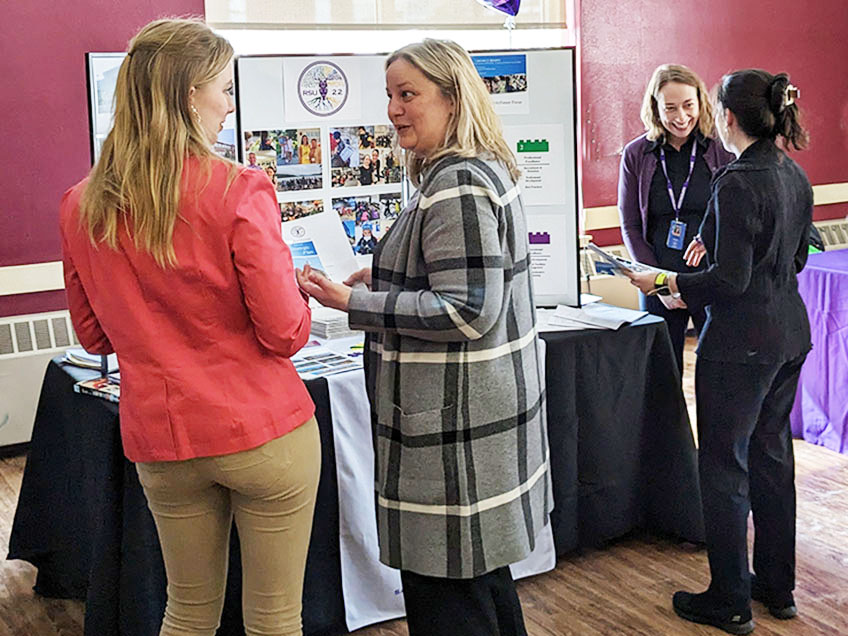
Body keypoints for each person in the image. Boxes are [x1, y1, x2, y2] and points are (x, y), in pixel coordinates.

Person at [59, 18, 320, 636]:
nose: (230, 106)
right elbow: (286, 334)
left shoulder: (81, 203)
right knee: (276, 618)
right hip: (262, 430)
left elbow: (94, 338)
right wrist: (301, 293)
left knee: (187, 611)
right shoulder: (238, 189)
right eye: (224, 90)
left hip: (162, 438)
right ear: (186, 96)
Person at [296, 38, 550, 636]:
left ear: (453, 97)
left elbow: (467, 310)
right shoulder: (472, 168)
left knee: (447, 600)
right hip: (469, 427)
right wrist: (384, 277)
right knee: (482, 583)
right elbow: (459, 284)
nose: (394, 109)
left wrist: (354, 301)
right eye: (390, 95)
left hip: (452, 436)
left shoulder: (456, 182)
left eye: (408, 94)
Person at [626, 69, 812, 635]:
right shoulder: (794, 174)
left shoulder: (735, 181)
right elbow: (796, 259)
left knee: (724, 468)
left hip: (739, 346)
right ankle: (776, 588)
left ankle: (729, 598)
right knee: (773, 461)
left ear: (727, 118)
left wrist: (668, 284)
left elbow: (729, 282)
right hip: (788, 336)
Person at [618, 64, 734, 374]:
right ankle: (668, 426)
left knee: (718, 370)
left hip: (710, 277)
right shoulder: (636, 154)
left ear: (700, 103)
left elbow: (733, 217)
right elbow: (629, 223)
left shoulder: (721, 149)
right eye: (670, 108)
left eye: (688, 105)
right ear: (655, 108)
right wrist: (659, 284)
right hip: (657, 276)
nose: (680, 117)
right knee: (662, 373)